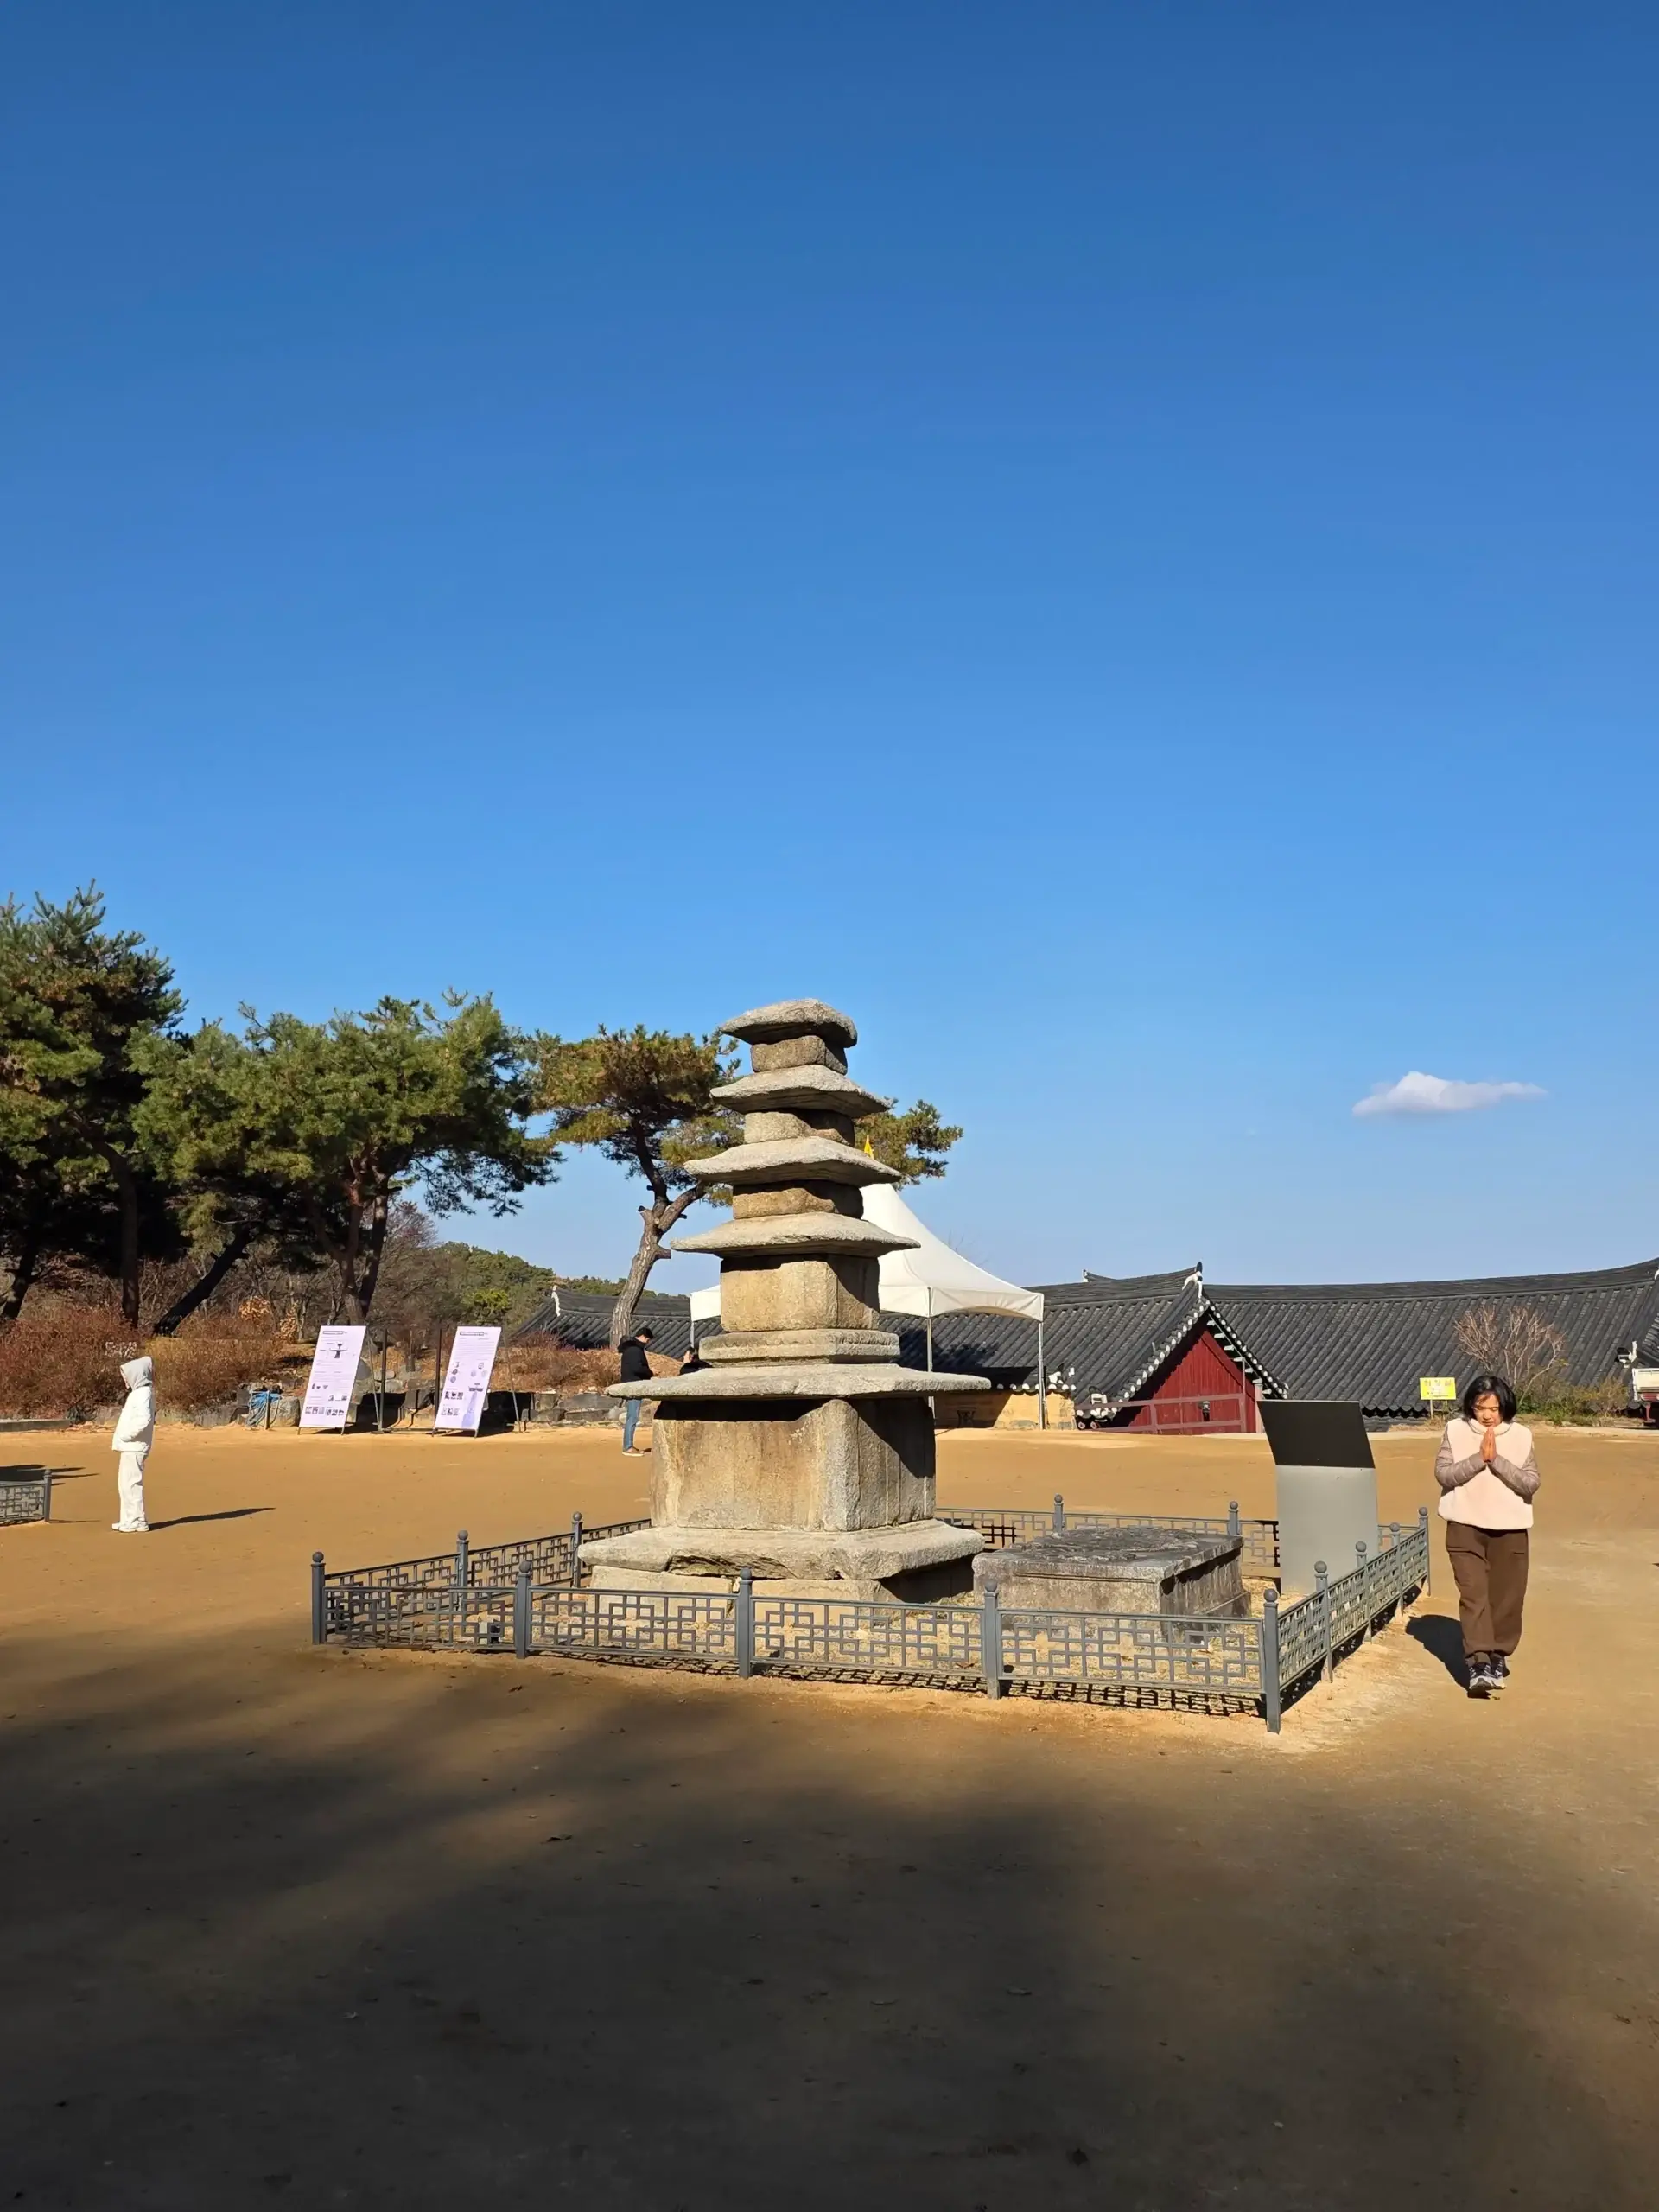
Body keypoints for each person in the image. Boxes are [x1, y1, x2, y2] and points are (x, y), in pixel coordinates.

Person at [1434, 1371, 1540, 1697]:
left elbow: (1530, 1483)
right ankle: (1478, 1662)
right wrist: (1479, 1459)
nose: (1488, 1415)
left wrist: (1497, 1460)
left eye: (1494, 1408)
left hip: (1510, 1529)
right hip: (1464, 1527)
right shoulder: (1455, 1430)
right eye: (1481, 1408)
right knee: (1474, 1595)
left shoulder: (1521, 1435)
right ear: (1471, 1406)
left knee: (1507, 1599)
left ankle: (1497, 1655)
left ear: (1505, 1406)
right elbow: (1444, 1475)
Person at [111, 1355, 156, 1533]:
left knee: (131, 1484)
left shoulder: (143, 1393)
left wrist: (126, 1436)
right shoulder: (138, 1393)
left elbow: (144, 1419)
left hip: (135, 1446)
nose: (125, 1379)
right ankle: (128, 1519)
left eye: (127, 1375)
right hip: (131, 1446)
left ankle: (137, 1521)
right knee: (125, 1484)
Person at [618, 1325, 655, 1452]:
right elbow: (637, 1368)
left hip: (630, 1384)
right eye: (648, 1340)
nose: (647, 1343)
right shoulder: (635, 1350)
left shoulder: (630, 1349)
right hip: (634, 1386)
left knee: (631, 1416)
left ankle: (628, 1445)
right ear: (643, 1337)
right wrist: (650, 1372)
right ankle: (628, 1446)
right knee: (633, 1417)